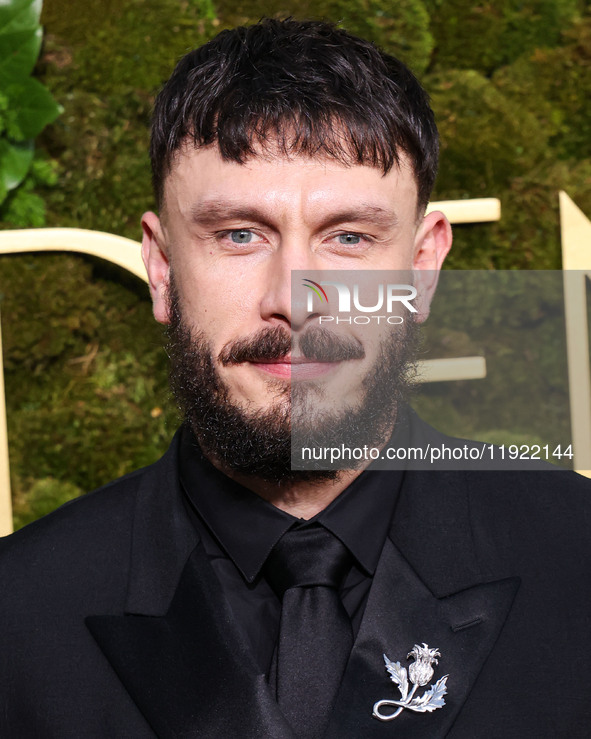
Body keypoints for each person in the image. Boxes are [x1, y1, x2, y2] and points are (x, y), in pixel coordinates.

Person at [1, 17, 590, 739]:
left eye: (347, 237)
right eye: (238, 234)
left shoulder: (578, 557)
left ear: (424, 266)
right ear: (160, 269)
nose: (292, 295)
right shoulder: (17, 612)